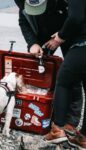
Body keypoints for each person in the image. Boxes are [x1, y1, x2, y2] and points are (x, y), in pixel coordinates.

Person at [14, 0, 83, 135]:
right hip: (42, 34)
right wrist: (32, 43)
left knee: (71, 76)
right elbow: (23, 22)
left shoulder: (62, 2)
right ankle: (43, 112)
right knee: (40, 74)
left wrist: (61, 36)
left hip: (67, 32)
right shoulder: (21, 2)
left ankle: (71, 121)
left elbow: (74, 18)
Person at [44, 0, 86, 149]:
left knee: (63, 81)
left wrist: (60, 37)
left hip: (82, 45)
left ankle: (57, 129)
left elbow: (76, 17)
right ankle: (83, 139)